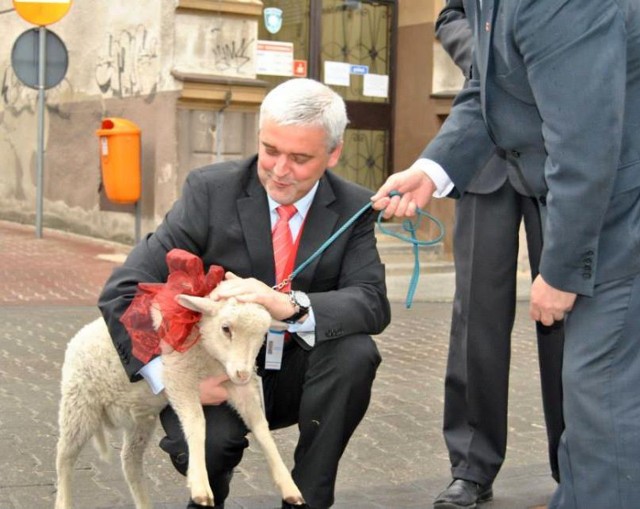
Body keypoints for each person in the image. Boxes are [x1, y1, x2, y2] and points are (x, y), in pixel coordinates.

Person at [372, 1, 640, 508]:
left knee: (599, 396)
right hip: (551, 182)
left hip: (615, 208)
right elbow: (488, 90)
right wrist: (431, 169)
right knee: (589, 396)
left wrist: (559, 273)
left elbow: (583, 148)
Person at [99, 77, 391, 509]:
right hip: (211, 373)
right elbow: (122, 291)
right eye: (270, 150)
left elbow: (371, 302)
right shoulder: (210, 192)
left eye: (300, 158)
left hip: (296, 378)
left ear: (334, 153)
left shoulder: (354, 208)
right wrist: (166, 379)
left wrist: (290, 306)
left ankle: (306, 501)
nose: (279, 169)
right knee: (212, 448)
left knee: (356, 353)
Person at [431, 2, 564, 508]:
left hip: (557, 152)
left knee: (566, 310)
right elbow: (451, 16)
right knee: (476, 318)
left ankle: (572, 458)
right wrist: (492, 60)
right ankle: (472, 465)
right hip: (483, 152)